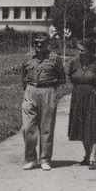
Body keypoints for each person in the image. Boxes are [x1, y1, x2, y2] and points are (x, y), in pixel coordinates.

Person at [20, 33, 65, 171]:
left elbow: (62, 78)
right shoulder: (28, 58)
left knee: (46, 127)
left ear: (48, 44)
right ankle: (30, 159)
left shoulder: (55, 58)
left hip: (48, 91)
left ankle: (45, 159)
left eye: (42, 43)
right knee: (27, 128)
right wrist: (28, 90)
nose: (39, 45)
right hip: (30, 90)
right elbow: (23, 76)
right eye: (36, 43)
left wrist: (53, 92)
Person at [66, 38, 96, 170]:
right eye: (78, 50)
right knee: (81, 127)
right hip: (78, 97)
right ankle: (86, 155)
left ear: (90, 51)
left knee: (94, 126)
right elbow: (69, 76)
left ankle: (93, 158)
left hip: (94, 97)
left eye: (82, 50)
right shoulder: (74, 62)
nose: (80, 53)